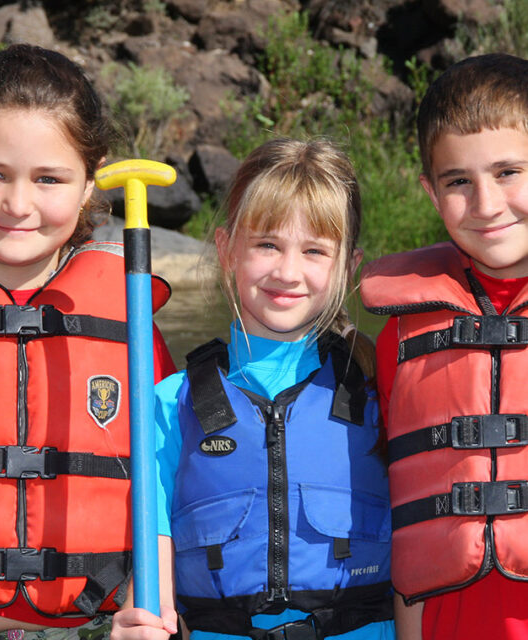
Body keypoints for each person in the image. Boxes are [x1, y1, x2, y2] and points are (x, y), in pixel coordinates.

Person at [111, 138, 396, 640]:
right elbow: (150, 581)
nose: (287, 272)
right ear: (227, 251)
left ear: (348, 267)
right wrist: (139, 622)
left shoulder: (382, 390)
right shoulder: (167, 404)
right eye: (267, 244)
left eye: (314, 251)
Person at [0, 44, 176, 639]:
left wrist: (155, 609)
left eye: (48, 179)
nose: (17, 205)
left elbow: (168, 483)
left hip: (98, 624)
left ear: (91, 180)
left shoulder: (126, 313)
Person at [360, 53, 528, 640]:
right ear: (432, 193)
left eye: (509, 172)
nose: (485, 204)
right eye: (460, 181)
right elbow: (402, 500)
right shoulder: (401, 335)